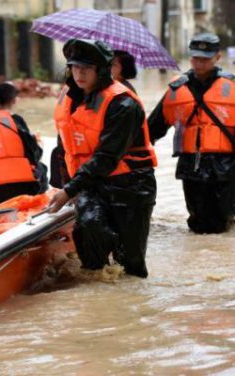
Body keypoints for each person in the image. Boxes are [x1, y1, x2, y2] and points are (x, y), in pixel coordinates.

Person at [47, 39, 158, 278]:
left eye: (87, 68)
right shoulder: (68, 99)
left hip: (130, 186)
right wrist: (64, 185)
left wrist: (69, 189)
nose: (79, 73)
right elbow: (63, 147)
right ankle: (96, 293)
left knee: (130, 265)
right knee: (88, 231)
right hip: (89, 184)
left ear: (102, 70)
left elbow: (107, 157)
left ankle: (129, 305)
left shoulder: (123, 104)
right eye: (75, 67)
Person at [148, 33, 235, 234]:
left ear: (217, 57)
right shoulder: (176, 89)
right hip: (190, 165)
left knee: (221, 221)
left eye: (205, 58)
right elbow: (152, 128)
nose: (200, 63)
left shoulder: (232, 88)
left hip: (225, 166)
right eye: (196, 58)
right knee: (197, 222)